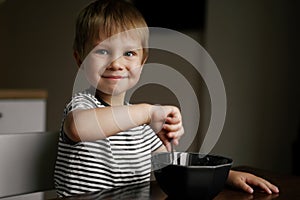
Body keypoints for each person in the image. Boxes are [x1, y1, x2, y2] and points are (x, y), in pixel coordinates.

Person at [54, 0, 279, 197]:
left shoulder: (141, 127)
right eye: (102, 51)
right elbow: (79, 127)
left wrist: (227, 176)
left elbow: (173, 167)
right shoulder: (83, 105)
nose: (116, 63)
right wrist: (148, 112)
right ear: (79, 59)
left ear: (142, 62)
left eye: (129, 53)